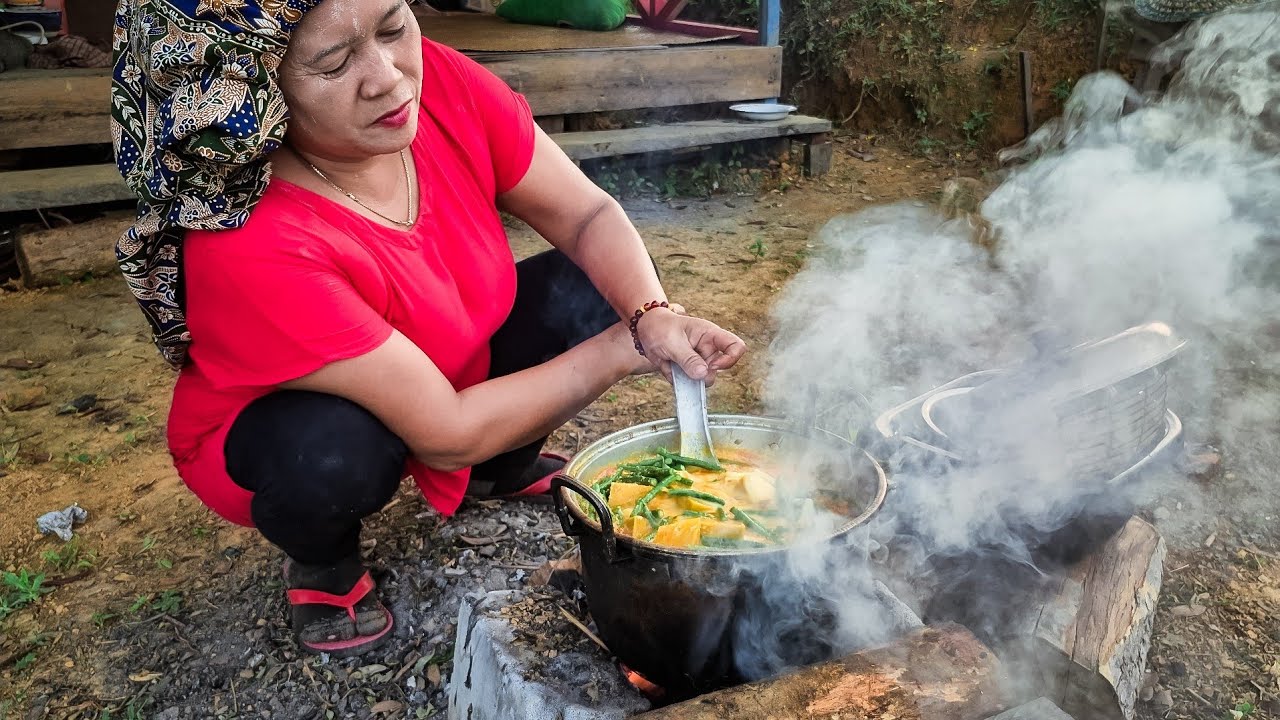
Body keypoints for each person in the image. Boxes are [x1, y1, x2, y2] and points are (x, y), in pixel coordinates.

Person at [111, 0, 746, 657]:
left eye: (393, 28)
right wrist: (620, 348)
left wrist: (650, 314)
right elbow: (445, 434)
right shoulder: (250, 241)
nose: (388, 77)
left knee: (594, 285)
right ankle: (322, 563)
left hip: (444, 361)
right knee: (334, 453)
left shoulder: (436, 83)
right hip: (284, 428)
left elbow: (586, 216)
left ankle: (496, 471)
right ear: (253, 90)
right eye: (333, 63)